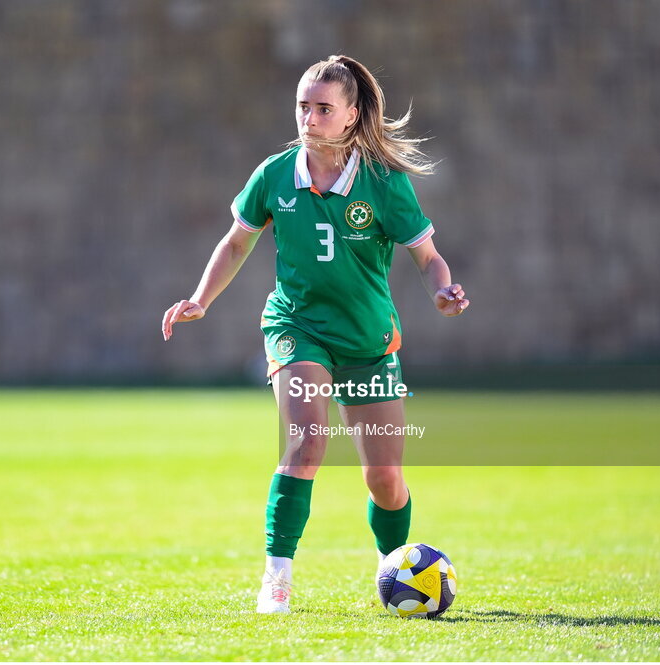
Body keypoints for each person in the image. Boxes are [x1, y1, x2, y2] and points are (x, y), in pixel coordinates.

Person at [162, 55, 469, 614]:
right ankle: (276, 579)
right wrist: (199, 300)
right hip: (296, 327)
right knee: (305, 444)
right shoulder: (275, 174)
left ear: (351, 116)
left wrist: (443, 292)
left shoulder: (383, 182)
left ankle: (397, 567)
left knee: (385, 479)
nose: (310, 118)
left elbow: (427, 258)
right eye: (304, 106)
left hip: (368, 340)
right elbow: (236, 242)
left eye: (324, 109)